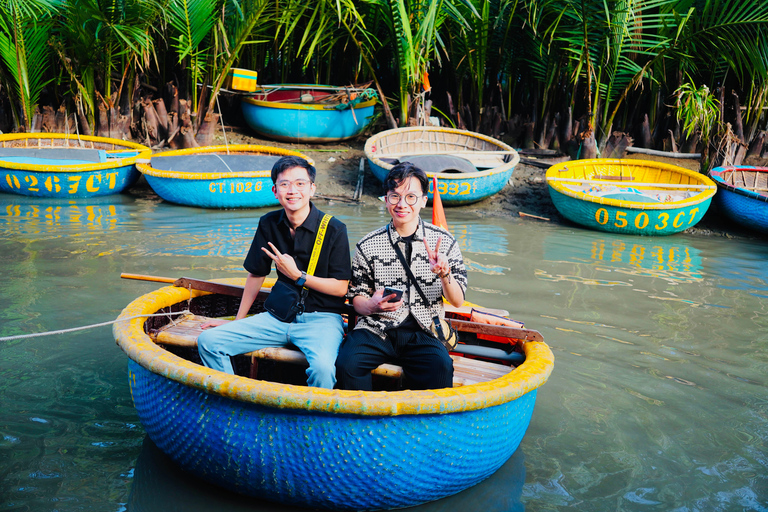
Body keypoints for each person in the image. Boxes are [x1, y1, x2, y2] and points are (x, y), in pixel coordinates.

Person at [197, 155, 351, 389]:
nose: (293, 190)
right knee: (209, 341)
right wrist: (237, 322)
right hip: (278, 316)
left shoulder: (334, 228)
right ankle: (237, 404)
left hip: (322, 319)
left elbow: (341, 288)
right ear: (275, 191)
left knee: (323, 369)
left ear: (312, 189)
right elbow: (256, 274)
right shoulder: (268, 223)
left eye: (300, 183)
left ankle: (311, 422)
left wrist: (298, 276)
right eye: (285, 184)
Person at [335, 162, 467, 390]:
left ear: (424, 201)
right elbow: (356, 298)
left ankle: (423, 425)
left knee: (440, 366)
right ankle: (361, 421)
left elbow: (457, 300)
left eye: (411, 197)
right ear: (386, 200)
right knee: (347, 363)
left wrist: (445, 274)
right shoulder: (368, 245)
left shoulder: (444, 241)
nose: (402, 204)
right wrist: (371, 306)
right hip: (377, 329)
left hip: (424, 330)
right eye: (395, 196)